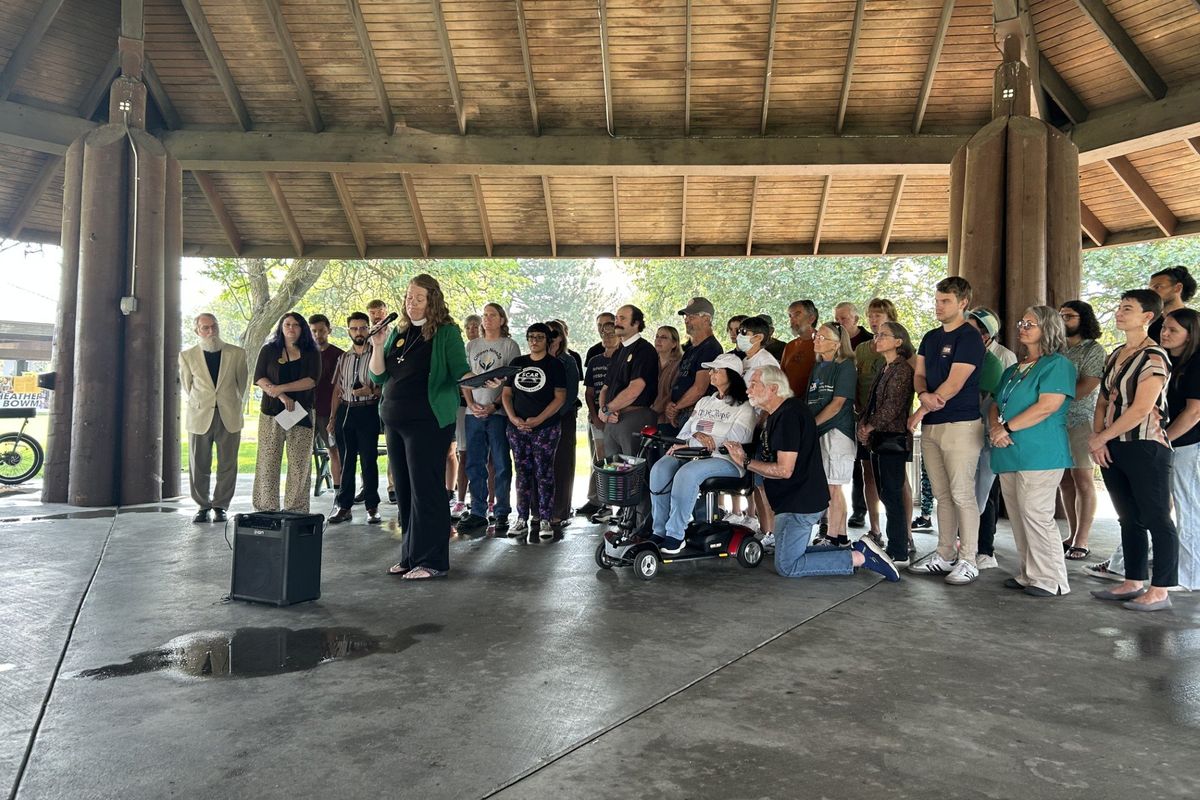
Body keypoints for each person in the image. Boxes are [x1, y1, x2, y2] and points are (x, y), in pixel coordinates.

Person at [723, 367, 898, 582]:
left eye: (754, 384)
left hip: (800, 505)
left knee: (788, 566)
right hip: (790, 503)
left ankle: (859, 557)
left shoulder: (789, 415)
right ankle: (858, 551)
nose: (748, 389)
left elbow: (784, 470)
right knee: (787, 557)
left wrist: (745, 462)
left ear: (773, 388)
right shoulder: (779, 414)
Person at [369, 274, 471, 580]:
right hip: (394, 419)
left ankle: (433, 561)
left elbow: (460, 371)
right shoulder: (398, 333)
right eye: (408, 297)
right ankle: (410, 555)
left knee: (426, 490)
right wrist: (376, 345)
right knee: (404, 490)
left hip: (427, 421)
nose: (410, 303)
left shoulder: (446, 333)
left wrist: (478, 385)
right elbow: (378, 377)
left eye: (418, 298)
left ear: (432, 300)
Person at [1088, 290, 1177, 611]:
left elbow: (1141, 408)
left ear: (1147, 317)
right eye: (1119, 307)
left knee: (1157, 518)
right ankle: (1132, 580)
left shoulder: (1154, 356)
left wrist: (1101, 438)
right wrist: (1098, 437)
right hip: (1113, 446)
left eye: (1128, 308)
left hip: (1146, 446)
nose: (1119, 312)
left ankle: (1161, 588)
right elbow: (1102, 400)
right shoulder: (1116, 354)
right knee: (1128, 517)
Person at [988, 306, 1076, 598]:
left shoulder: (1057, 364)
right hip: (1009, 450)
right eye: (1021, 321)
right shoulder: (1014, 368)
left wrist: (1006, 429)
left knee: (1036, 514)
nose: (1022, 327)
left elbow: (1048, 405)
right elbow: (993, 403)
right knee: (1018, 514)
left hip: (1040, 451)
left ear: (1048, 328)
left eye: (1031, 323)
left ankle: (1053, 579)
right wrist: (994, 428)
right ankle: (1029, 573)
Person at [907, 276, 985, 585]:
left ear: (963, 302)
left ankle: (969, 558)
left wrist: (920, 409)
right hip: (933, 425)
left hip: (961, 424)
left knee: (962, 493)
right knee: (941, 494)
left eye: (946, 301)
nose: (938, 306)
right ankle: (944, 553)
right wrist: (923, 398)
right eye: (937, 300)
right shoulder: (930, 336)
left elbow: (954, 384)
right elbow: (919, 375)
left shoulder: (969, 337)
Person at [648, 353, 756, 553]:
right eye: (710, 370)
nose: (711, 373)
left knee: (687, 473)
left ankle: (675, 534)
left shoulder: (745, 407)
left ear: (731, 375)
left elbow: (735, 442)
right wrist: (696, 436)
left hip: (727, 460)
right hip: (692, 453)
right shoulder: (705, 401)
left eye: (716, 370)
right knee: (660, 468)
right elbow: (686, 432)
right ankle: (659, 530)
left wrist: (702, 442)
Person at [179, 313, 248, 524]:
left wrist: (231, 403)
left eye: (213, 326)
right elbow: (186, 386)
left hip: (229, 414)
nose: (211, 331)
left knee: (228, 464)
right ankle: (202, 505)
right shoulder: (187, 356)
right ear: (197, 331)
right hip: (200, 415)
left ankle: (220, 506)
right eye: (205, 328)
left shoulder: (236, 353)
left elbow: (242, 384)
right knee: (198, 464)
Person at [857, 320, 915, 564]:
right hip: (878, 438)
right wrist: (864, 424)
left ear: (898, 342)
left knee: (892, 494)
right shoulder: (884, 367)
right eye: (877, 334)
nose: (877, 338)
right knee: (885, 493)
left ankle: (899, 549)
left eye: (884, 335)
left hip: (891, 437)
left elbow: (892, 406)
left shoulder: (901, 369)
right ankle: (895, 545)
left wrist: (870, 425)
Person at [252, 312, 322, 513]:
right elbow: (260, 378)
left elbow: (311, 380)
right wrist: (281, 396)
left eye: (296, 325)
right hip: (271, 413)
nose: (291, 328)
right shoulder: (269, 350)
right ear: (281, 327)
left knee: (299, 463)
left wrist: (282, 388)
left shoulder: (311, 352)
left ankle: (296, 509)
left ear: (302, 329)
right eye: (287, 324)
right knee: (267, 460)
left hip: (301, 413)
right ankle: (266, 507)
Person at [503, 322, 567, 540]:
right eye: (531, 337)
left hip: (545, 428)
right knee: (522, 473)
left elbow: (560, 397)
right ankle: (522, 517)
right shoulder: (517, 363)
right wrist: (513, 418)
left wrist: (539, 419)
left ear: (547, 341)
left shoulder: (555, 365)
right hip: (517, 427)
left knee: (544, 472)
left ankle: (545, 519)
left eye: (539, 337)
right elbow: (506, 394)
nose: (534, 341)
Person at [460, 303, 520, 536]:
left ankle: (503, 511)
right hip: (473, 413)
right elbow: (464, 376)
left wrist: (494, 405)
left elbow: (510, 380)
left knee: (501, 463)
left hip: (498, 413)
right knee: (474, 463)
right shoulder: (472, 345)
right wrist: (471, 403)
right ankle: (477, 511)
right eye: (484, 315)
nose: (486, 319)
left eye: (492, 315)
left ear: (502, 320)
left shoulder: (509, 346)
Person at [965, 307, 1015, 571]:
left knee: (987, 492)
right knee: (964, 491)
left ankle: (985, 549)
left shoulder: (1003, 357)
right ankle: (965, 546)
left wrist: (997, 426)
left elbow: (1004, 397)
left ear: (986, 333)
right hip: (966, 432)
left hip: (989, 431)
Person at [1058, 300, 1106, 560]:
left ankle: (1083, 539)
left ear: (1083, 319)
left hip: (1082, 420)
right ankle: (1072, 533)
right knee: (1065, 481)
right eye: (1061, 316)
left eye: (1069, 316)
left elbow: (1088, 385)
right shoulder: (1056, 348)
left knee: (1084, 481)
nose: (1064, 320)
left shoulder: (1094, 349)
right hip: (1055, 422)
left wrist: (1052, 400)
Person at [327, 312, 382, 525]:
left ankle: (372, 506)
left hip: (368, 410)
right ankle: (344, 507)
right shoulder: (343, 358)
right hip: (346, 411)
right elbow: (337, 390)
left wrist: (371, 390)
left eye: (362, 328)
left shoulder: (377, 354)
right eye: (354, 328)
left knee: (369, 460)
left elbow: (384, 387)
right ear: (348, 331)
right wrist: (332, 418)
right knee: (346, 460)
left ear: (368, 330)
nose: (358, 332)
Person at [807, 321, 858, 548]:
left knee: (835, 486)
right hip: (819, 432)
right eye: (817, 336)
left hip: (837, 432)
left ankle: (834, 536)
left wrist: (811, 425)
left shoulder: (845, 366)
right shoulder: (817, 367)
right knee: (829, 485)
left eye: (823, 337)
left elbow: (837, 404)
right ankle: (840, 536)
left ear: (837, 344)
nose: (817, 339)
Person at [850, 298, 897, 541]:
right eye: (871, 315)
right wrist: (860, 414)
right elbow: (858, 383)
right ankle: (875, 528)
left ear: (891, 317)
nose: (874, 319)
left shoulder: (903, 348)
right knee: (868, 473)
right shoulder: (862, 349)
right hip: (865, 419)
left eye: (879, 315)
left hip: (892, 423)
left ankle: (902, 531)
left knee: (894, 480)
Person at [1161, 308, 1200, 591]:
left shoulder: (1197, 363)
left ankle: (1191, 575)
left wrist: (1164, 440)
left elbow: (1194, 413)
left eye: (1173, 330)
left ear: (1190, 335)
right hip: (1170, 442)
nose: (1165, 333)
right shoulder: (1167, 361)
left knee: (1187, 506)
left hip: (1187, 444)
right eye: (1164, 327)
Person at [578, 320, 620, 520]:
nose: (607, 337)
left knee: (621, 459)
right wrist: (595, 416)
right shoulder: (595, 360)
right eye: (604, 334)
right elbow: (589, 393)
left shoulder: (624, 358)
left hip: (621, 417)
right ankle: (604, 503)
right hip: (598, 418)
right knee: (602, 459)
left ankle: (623, 503)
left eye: (611, 333)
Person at [665, 297, 723, 435]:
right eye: (686, 316)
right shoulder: (690, 349)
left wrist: (676, 407)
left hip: (696, 413)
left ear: (706, 319)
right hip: (681, 411)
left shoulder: (711, 348)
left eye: (692, 316)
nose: (686, 320)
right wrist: (672, 405)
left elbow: (699, 388)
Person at [449, 314, 483, 517]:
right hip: (463, 406)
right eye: (468, 326)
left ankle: (487, 500)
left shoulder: (487, 350)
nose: (472, 330)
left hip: (486, 405)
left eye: (475, 326)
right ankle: (461, 499)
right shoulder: (460, 351)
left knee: (485, 456)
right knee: (464, 452)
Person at [547, 320, 580, 529]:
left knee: (562, 464)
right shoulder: (536, 361)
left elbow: (571, 393)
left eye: (552, 335)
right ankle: (541, 509)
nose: (548, 340)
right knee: (542, 466)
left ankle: (560, 510)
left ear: (560, 337)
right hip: (541, 419)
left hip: (563, 417)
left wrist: (554, 414)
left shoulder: (568, 361)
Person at [308, 314, 345, 493]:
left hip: (327, 411)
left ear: (328, 330)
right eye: (313, 331)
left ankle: (339, 491)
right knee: (301, 452)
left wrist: (334, 415)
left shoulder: (339, 356)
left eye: (321, 331)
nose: (317, 335)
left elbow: (341, 388)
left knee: (333, 451)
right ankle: (299, 493)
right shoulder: (303, 354)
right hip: (305, 411)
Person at [367, 298, 397, 505]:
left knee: (392, 445)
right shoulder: (364, 334)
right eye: (373, 313)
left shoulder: (394, 335)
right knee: (367, 450)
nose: (377, 316)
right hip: (363, 402)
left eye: (380, 312)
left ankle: (393, 485)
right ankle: (366, 488)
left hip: (387, 397)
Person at [1147, 266, 1195, 342]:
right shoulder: (1154, 325)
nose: (1151, 294)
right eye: (1150, 290)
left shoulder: (1195, 321)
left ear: (1178, 288)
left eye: (1157, 287)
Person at [780, 299, 818, 397]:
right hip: (790, 403)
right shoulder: (790, 346)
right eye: (790, 316)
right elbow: (782, 377)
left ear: (811, 318)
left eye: (797, 315)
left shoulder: (824, 343)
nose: (792, 320)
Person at [652, 325, 683, 424]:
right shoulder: (650, 362)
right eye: (657, 336)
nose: (658, 340)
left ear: (674, 343)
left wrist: (655, 410)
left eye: (664, 337)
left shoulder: (680, 364)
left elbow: (674, 392)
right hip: (646, 416)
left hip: (669, 418)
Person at [736, 315, 781, 384]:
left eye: (744, 332)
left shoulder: (767, 363)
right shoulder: (744, 360)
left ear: (758, 337)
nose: (739, 336)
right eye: (738, 332)